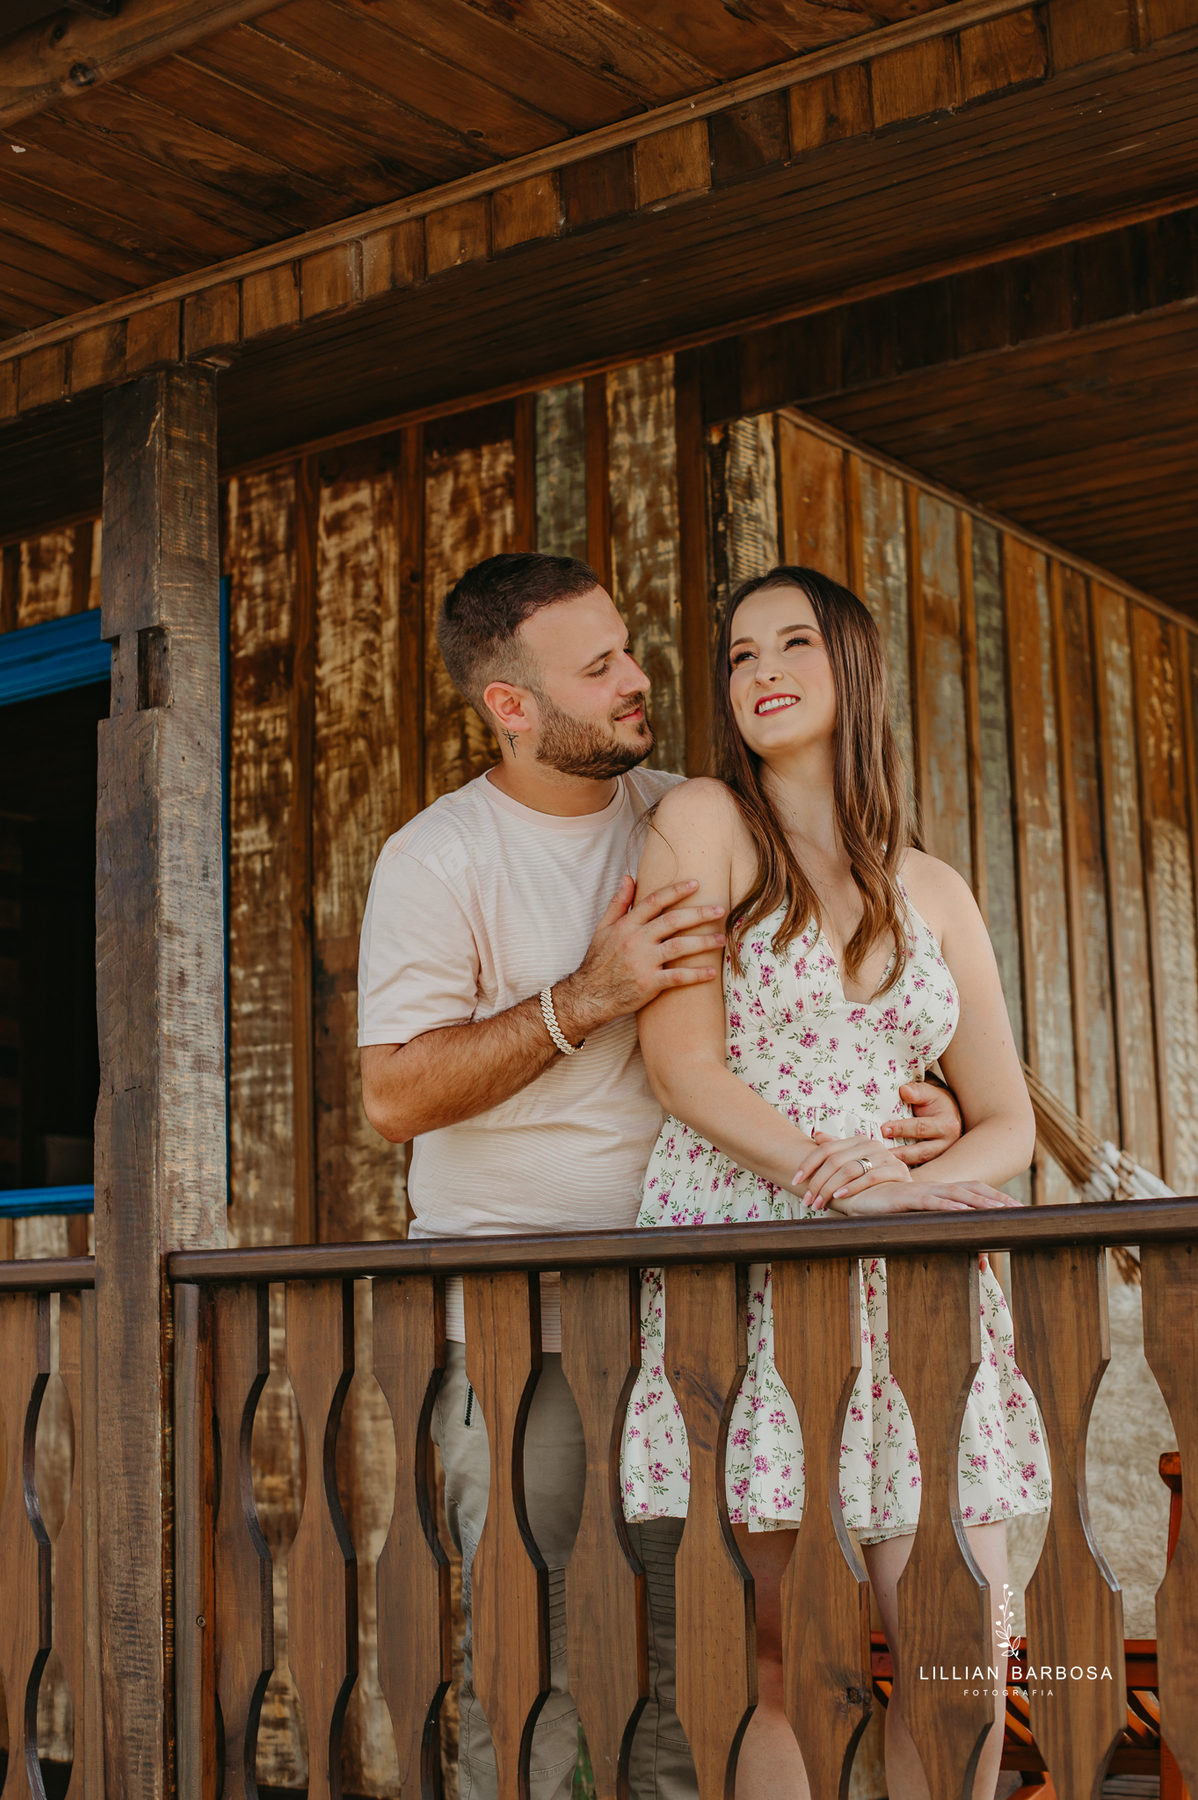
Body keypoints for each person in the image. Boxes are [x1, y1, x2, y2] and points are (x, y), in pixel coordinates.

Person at [358, 552, 967, 1800]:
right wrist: (586, 996)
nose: (640, 679)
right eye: (599, 669)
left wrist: (927, 1108)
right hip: (530, 1320)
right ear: (512, 705)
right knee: (542, 1656)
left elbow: (822, 1012)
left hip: (704, 1311)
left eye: (629, 648)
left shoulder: (695, 812)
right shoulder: (441, 858)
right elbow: (394, 1095)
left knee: (711, 1657)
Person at [619, 565, 1051, 1800]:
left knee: (956, 1644)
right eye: (741, 654)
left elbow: (1010, 1122)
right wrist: (837, 1185)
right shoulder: (705, 820)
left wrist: (915, 1189)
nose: (762, 671)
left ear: (853, 667)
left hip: (913, 1279)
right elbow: (683, 1069)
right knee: (782, 1650)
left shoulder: (934, 887)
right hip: (754, 1254)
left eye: (794, 643)